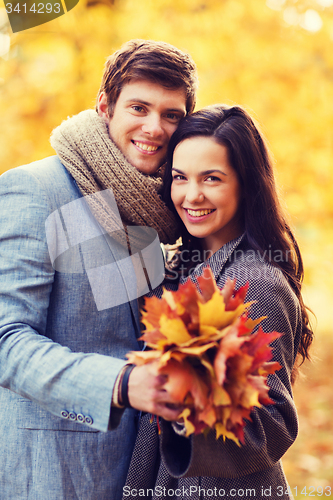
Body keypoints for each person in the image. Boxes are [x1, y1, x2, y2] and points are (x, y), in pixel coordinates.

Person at [0, 39, 198, 499]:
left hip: (139, 473)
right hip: (52, 475)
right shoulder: (34, 191)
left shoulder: (155, 210)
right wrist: (123, 383)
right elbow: (7, 340)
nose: (156, 128)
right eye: (139, 108)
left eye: (172, 115)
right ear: (105, 107)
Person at [122, 105, 313, 499]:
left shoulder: (252, 281)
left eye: (212, 179)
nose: (192, 195)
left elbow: (273, 422)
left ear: (247, 184)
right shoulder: (179, 267)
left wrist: (177, 402)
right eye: (180, 178)